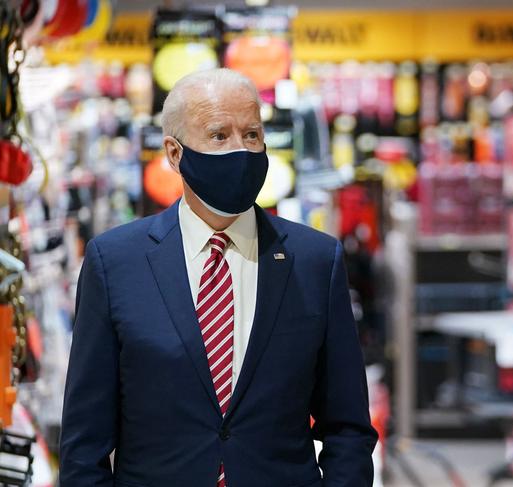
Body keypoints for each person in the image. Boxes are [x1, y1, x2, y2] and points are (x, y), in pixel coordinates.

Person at [59, 68, 377, 487]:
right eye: (218, 135)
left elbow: (348, 428)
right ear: (175, 154)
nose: (241, 150)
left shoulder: (316, 261)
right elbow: (85, 443)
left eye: (251, 135)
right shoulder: (115, 263)